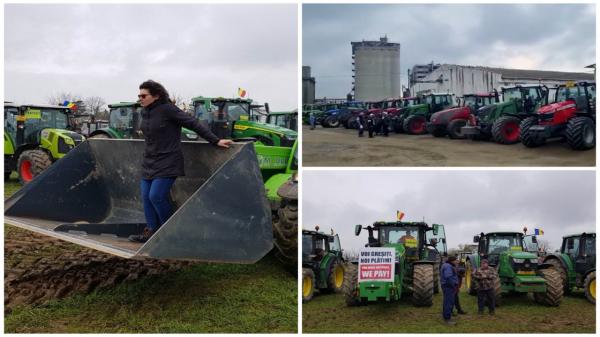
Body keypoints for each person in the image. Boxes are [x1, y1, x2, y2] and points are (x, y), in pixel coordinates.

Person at [129, 80, 234, 243]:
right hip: (149, 161)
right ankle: (151, 231)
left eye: (143, 95)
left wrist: (215, 140)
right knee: (146, 197)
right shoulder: (145, 112)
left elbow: (193, 123)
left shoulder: (168, 110)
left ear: (156, 96)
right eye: (139, 95)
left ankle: (170, 233)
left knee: (156, 196)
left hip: (168, 160)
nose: (140, 98)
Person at [441, 255, 459, 325]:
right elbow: (448, 277)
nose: (457, 261)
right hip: (449, 286)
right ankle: (447, 319)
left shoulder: (447, 265)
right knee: (448, 302)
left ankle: (447, 315)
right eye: (456, 260)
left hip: (447, 286)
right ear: (452, 261)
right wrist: (453, 285)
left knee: (447, 301)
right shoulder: (448, 266)